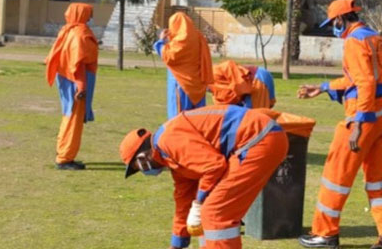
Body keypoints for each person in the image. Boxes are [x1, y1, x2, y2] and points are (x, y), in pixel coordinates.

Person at [297, 0, 382, 249]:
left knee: (336, 175)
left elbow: (365, 82)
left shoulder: (354, 41)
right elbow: (356, 79)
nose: (335, 27)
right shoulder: (374, 38)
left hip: (366, 116)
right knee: (375, 179)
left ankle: (325, 234)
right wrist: (323, 88)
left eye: (334, 22)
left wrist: (358, 122)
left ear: (340, 19)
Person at [119, 105, 288, 249]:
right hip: (260, 139)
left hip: (258, 139)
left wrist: (199, 202)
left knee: (215, 212)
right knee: (209, 212)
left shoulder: (168, 140)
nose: (145, 172)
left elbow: (214, 166)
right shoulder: (170, 157)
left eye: (138, 168)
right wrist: (177, 243)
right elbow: (184, 201)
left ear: (142, 158)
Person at [44, 3, 98, 170]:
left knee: (68, 116)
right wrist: (81, 87)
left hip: (67, 79)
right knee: (73, 120)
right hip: (76, 80)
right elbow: (78, 62)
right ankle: (65, 158)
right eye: (88, 13)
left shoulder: (67, 31)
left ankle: (63, 153)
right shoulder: (79, 33)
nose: (90, 17)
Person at [154, 12, 214, 119]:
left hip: (182, 84)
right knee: (198, 119)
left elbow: (168, 56)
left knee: (179, 120)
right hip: (198, 84)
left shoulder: (179, 41)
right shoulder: (198, 37)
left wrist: (161, 41)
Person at [209, 59, 276, 109]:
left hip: (256, 79)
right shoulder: (211, 80)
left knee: (255, 119)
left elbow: (229, 65)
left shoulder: (214, 72)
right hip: (258, 78)